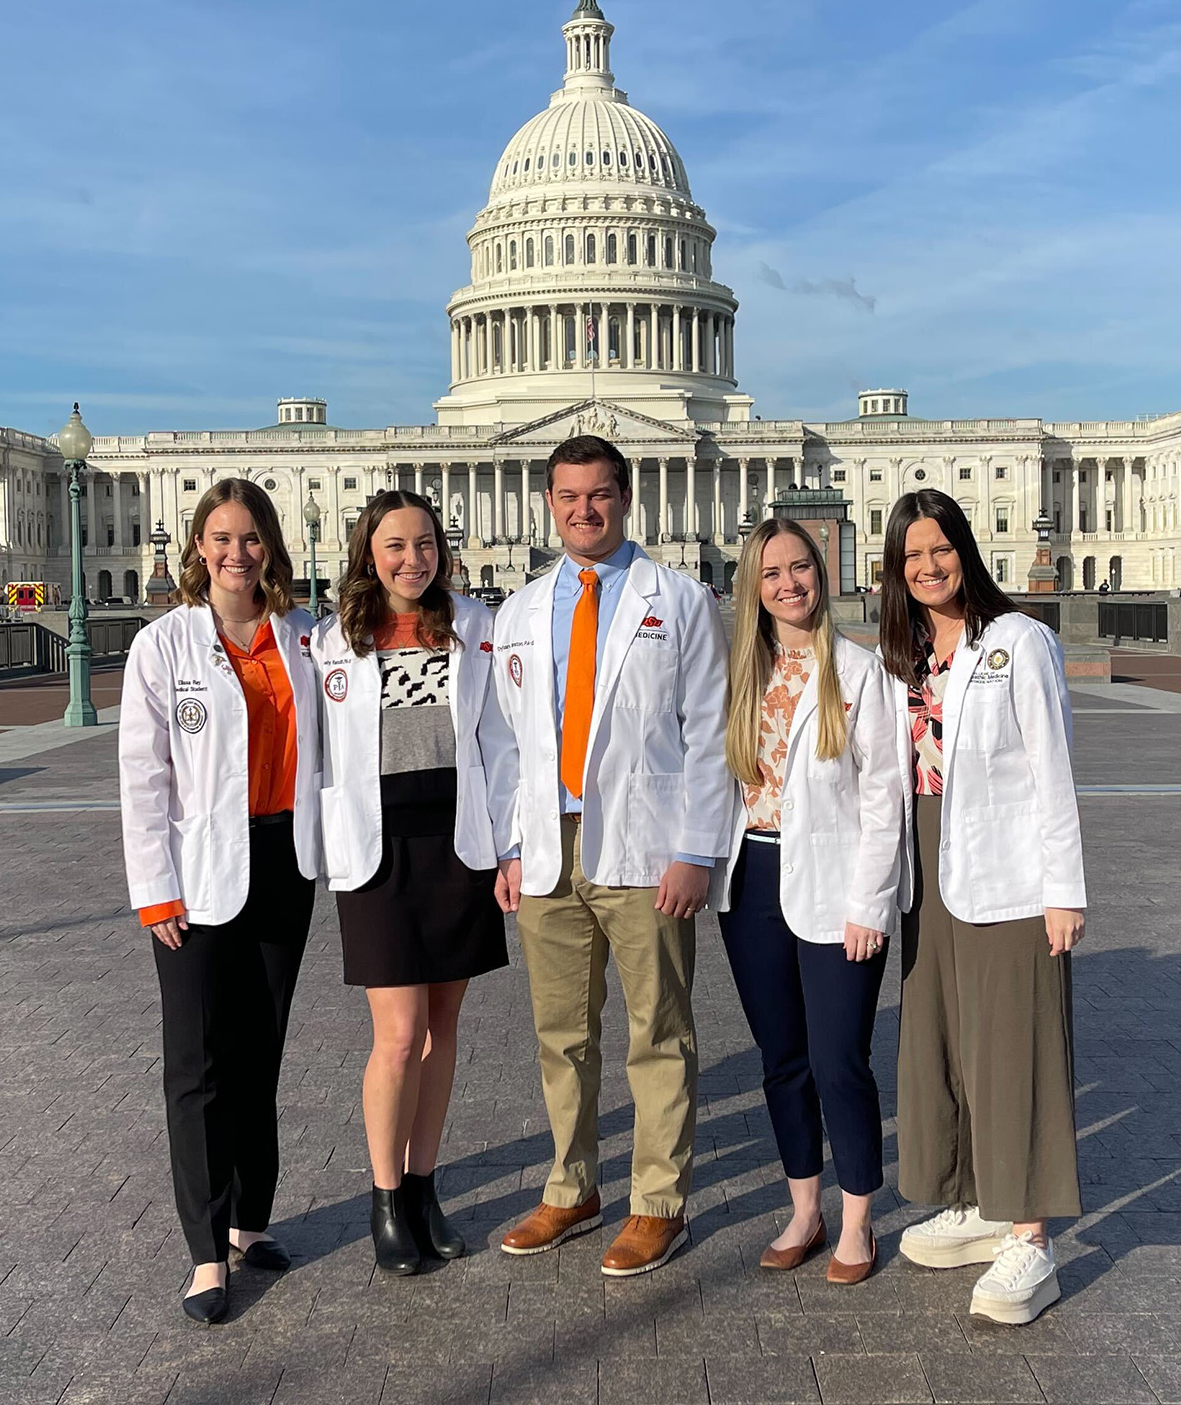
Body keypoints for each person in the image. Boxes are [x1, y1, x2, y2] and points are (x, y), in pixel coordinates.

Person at [488, 435, 734, 1277]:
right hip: (548, 842)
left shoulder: (681, 598)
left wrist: (697, 848)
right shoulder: (520, 610)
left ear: (625, 498)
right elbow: (507, 743)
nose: (582, 510)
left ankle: (658, 1202)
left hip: (646, 842)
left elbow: (709, 734)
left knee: (657, 1029)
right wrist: (510, 845)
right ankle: (571, 1186)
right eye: (567, 496)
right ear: (548, 502)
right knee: (562, 1033)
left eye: (598, 495)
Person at [879, 488, 1086, 1325]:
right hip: (929, 867)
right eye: (912, 556)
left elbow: (1053, 767)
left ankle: (1030, 1237)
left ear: (964, 550)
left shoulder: (1019, 642)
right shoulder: (909, 653)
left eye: (940, 550)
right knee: (947, 1044)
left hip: (1006, 870)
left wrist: (1063, 890)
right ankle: (975, 1201)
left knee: (1014, 1050)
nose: (928, 567)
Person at [118, 479, 323, 1325]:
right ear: (199, 548)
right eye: (221, 538)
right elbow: (142, 776)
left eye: (250, 538)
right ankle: (205, 1251)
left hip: (282, 858)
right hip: (197, 872)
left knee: (262, 1050)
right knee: (198, 1063)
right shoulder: (163, 645)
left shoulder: (308, 640)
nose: (236, 553)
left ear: (270, 546)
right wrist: (153, 890)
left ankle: (249, 1220)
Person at [309, 491, 517, 1277]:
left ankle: (426, 1186)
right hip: (376, 850)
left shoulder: (475, 626)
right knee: (396, 1036)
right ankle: (385, 1195)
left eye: (424, 544)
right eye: (395, 546)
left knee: (442, 1027)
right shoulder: (331, 639)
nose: (411, 560)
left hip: (457, 844)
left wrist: (510, 846)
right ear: (369, 552)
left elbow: (498, 742)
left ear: (442, 549)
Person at [711, 519, 909, 1284]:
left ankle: (857, 1216)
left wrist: (872, 902)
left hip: (835, 884)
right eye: (772, 574)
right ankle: (804, 1208)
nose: (789, 583)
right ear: (752, 589)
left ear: (821, 575)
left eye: (800, 568)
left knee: (839, 1060)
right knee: (782, 1060)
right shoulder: (740, 672)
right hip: (751, 884)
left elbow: (884, 797)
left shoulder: (861, 672)